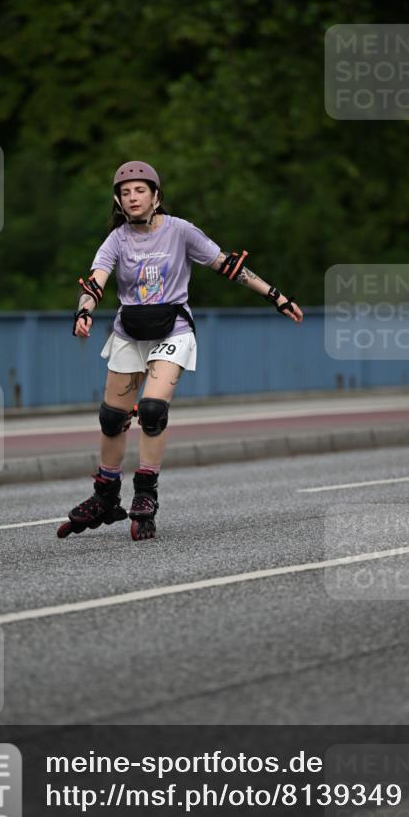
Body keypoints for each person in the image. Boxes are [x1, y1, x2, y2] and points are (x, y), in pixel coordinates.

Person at [57, 161, 303, 542]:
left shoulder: (180, 231)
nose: (132, 197)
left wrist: (277, 296)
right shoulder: (118, 239)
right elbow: (96, 280)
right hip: (129, 331)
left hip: (173, 327)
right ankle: (105, 494)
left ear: (156, 196)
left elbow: (229, 266)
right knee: (112, 417)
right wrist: (84, 312)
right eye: (125, 192)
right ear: (118, 201)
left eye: (140, 190)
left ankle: (145, 493)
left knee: (152, 410)